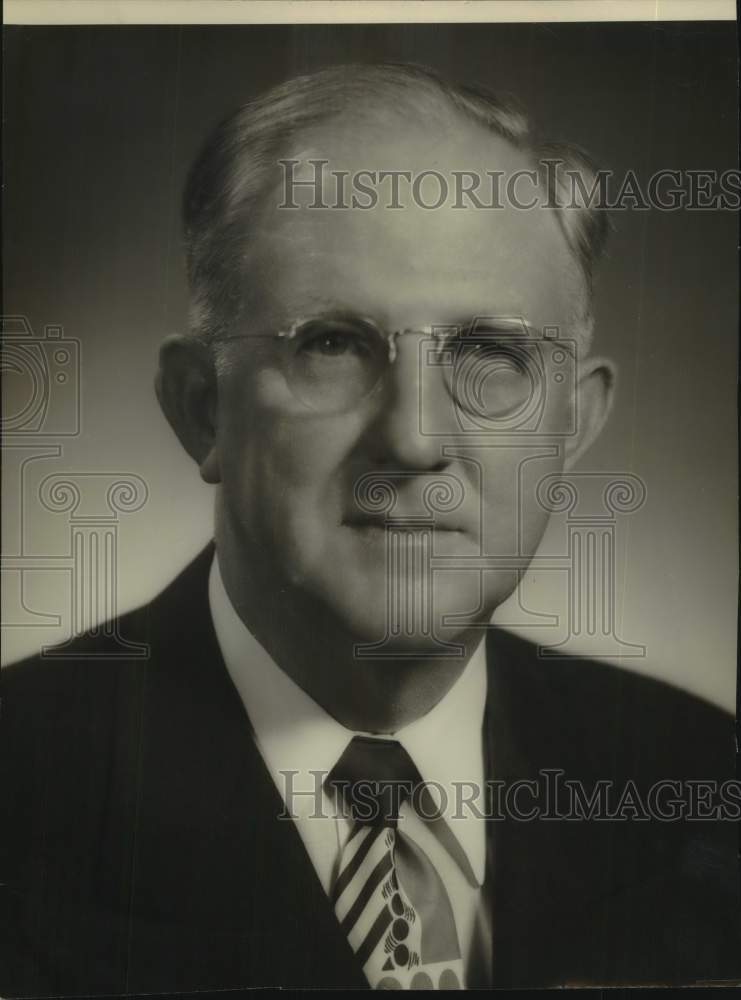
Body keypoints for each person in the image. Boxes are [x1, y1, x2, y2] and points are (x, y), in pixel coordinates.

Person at [1, 64, 739, 994]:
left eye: (489, 354)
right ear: (202, 409)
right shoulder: (21, 794)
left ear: (572, 424)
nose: (414, 438)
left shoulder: (704, 782)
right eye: (334, 344)